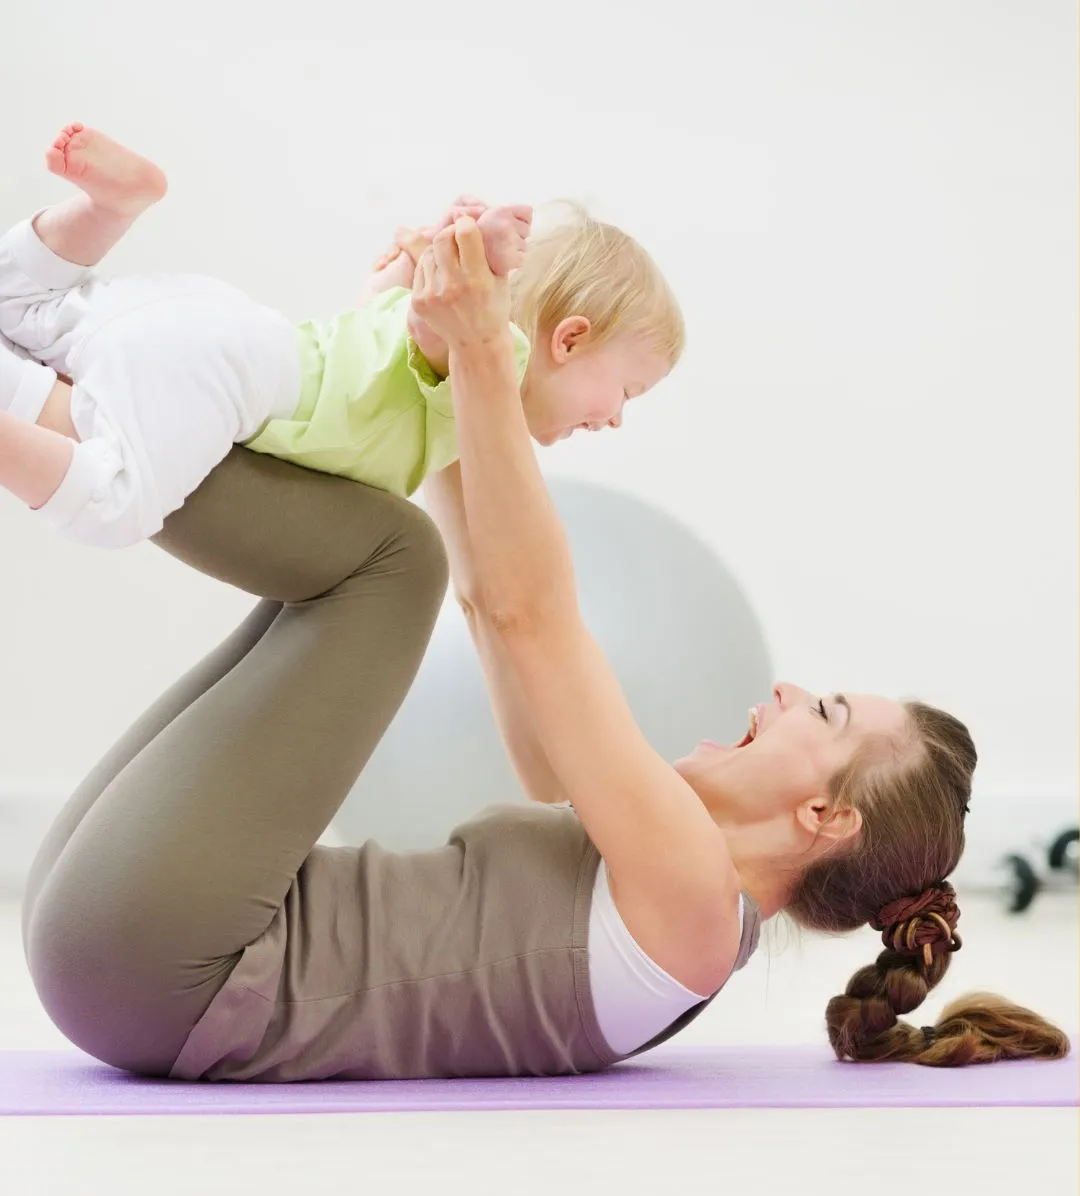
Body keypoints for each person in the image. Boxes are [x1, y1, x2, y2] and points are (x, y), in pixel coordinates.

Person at [22, 217, 1067, 1083]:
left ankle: (82, 420)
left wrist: (483, 351)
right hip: (135, 940)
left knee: (390, 563)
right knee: (382, 548)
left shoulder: (698, 905)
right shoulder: (650, 875)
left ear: (825, 819)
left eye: (829, 714)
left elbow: (533, 614)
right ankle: (70, 406)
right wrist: (442, 368)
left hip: (173, 967)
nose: (792, 690)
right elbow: (492, 606)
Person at [0, 123, 679, 546]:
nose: (617, 417)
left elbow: (380, 311)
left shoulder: (413, 344)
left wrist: (433, 248)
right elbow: (439, 335)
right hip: (223, 376)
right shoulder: (490, 356)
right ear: (569, 338)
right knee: (111, 503)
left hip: (207, 318)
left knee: (19, 303)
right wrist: (489, 261)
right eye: (628, 389)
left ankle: (110, 207)